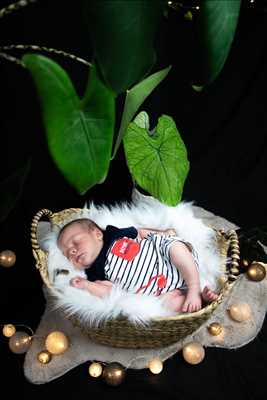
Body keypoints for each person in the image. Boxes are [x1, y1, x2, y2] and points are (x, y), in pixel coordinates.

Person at [57, 218, 218, 313]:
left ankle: (194, 287)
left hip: (165, 258)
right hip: (163, 289)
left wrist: (163, 235)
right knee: (167, 305)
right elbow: (110, 292)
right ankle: (199, 300)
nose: (72, 251)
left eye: (76, 242)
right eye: (67, 253)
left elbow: (140, 232)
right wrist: (86, 285)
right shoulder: (95, 273)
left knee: (175, 248)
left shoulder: (114, 235)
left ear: (97, 234)